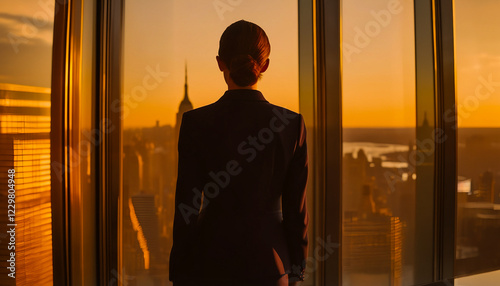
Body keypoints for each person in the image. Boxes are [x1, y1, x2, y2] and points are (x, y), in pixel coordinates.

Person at [169, 20, 308, 286]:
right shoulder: (291, 125)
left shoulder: (195, 123)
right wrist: (297, 269)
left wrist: (179, 272)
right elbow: (296, 211)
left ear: (220, 63)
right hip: (270, 264)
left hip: (207, 262)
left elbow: (186, 206)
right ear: (264, 65)